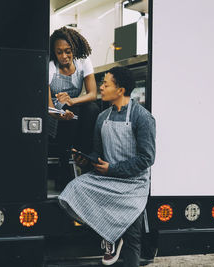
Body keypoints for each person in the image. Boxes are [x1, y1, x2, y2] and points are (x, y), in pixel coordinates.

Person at [58, 66, 156, 266]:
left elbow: (147, 159)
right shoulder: (102, 117)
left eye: (105, 84)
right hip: (106, 179)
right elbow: (98, 153)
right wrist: (87, 160)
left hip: (133, 185)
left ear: (120, 90)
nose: (100, 88)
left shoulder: (143, 117)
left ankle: (114, 236)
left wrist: (113, 169)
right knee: (70, 193)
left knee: (133, 240)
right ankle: (110, 233)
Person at [47, 26, 100, 190]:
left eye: (68, 51)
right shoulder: (50, 66)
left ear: (74, 49)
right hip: (55, 113)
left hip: (75, 107)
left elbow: (92, 94)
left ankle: (84, 159)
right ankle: (64, 167)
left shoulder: (83, 61)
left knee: (92, 108)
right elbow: (48, 106)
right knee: (70, 111)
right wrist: (60, 113)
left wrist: (72, 101)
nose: (64, 56)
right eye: (59, 52)